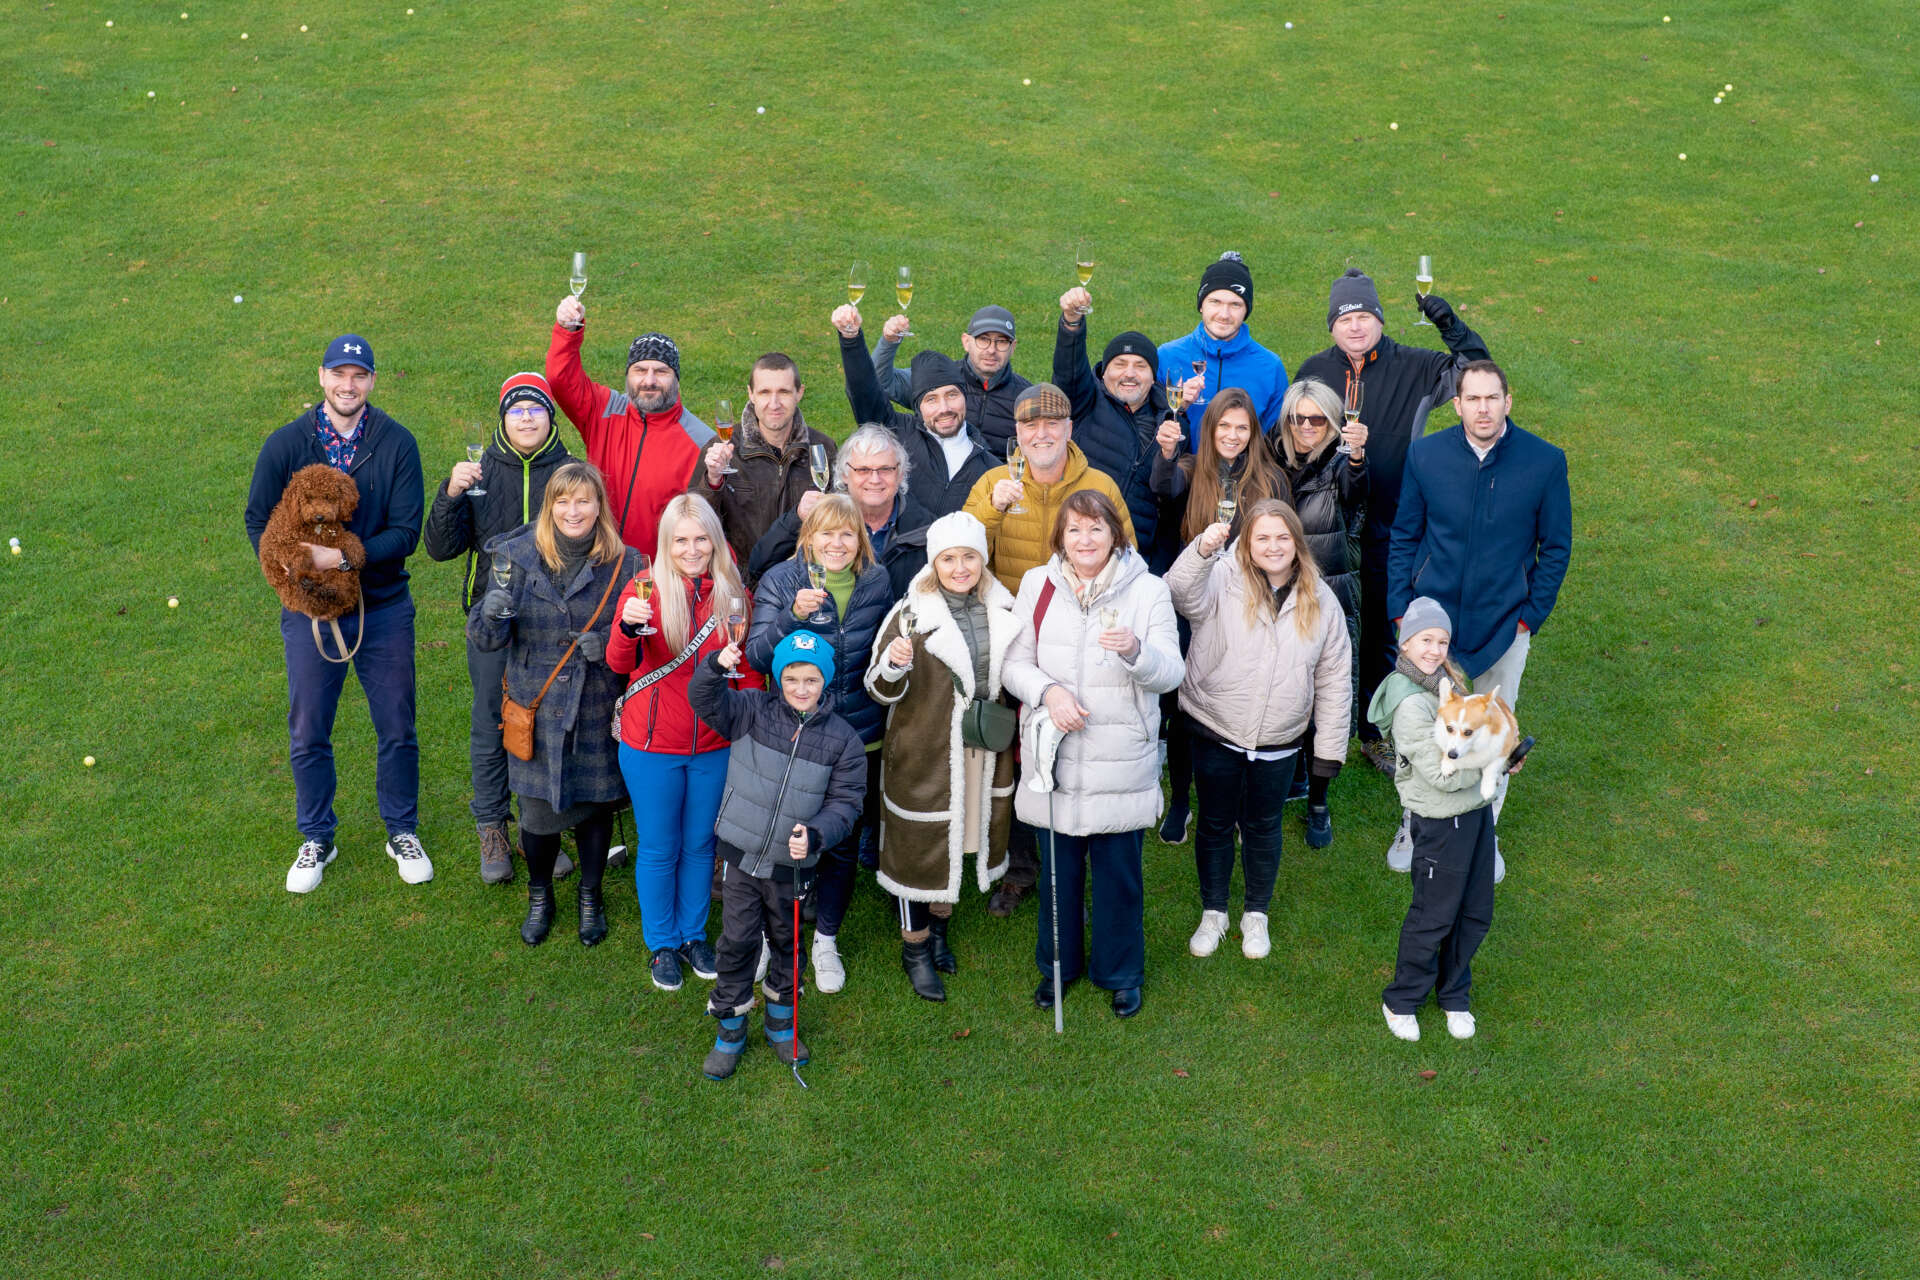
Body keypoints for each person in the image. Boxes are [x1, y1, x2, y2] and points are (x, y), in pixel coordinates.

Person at [245, 334, 429, 894]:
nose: (348, 386)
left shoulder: (396, 443)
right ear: (321, 377)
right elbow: (257, 520)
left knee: (396, 725)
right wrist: (294, 574)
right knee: (308, 729)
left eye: (359, 376)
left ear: (372, 381)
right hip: (310, 612)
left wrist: (343, 556)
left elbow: (407, 532)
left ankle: (401, 829)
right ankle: (317, 837)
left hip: (383, 606)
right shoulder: (286, 444)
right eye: (338, 374)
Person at [1294, 268, 1492, 775]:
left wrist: (1448, 322)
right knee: (1324, 623)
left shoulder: (1418, 365)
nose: (1355, 327)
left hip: (1394, 521)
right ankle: (1312, 726)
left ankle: (1375, 731)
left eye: (1364, 317)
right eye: (1345, 319)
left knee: (1384, 625)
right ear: (1332, 327)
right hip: (1329, 521)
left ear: (1379, 319)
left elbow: (1479, 373)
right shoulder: (1314, 369)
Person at [1002, 491, 1183, 1019]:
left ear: (1115, 535)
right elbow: (1014, 665)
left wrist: (1134, 651)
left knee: (1117, 877)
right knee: (1058, 875)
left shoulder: (1149, 592)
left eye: (1096, 529)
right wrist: (1048, 693)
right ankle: (1058, 967)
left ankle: (1120, 972)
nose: (1085, 540)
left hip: (1118, 757)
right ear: (1060, 536)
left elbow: (1171, 673)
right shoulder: (1037, 585)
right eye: (1075, 530)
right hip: (1053, 756)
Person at [1386, 361, 1571, 876]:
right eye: (1473, 398)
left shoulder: (1544, 462)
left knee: (1494, 735)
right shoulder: (1426, 455)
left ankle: (1482, 836)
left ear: (1508, 401)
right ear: (1458, 404)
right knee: (1424, 730)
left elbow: (1555, 548)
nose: (1483, 408)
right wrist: (1403, 614)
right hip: (1432, 628)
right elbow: (1404, 535)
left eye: (1493, 398)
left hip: (1503, 628)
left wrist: (1528, 617)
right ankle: (1415, 820)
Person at [963, 383, 1136, 916]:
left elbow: (1127, 559)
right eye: (1030, 426)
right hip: (1011, 643)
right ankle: (1019, 866)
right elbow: (960, 558)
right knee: (1015, 755)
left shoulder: (1098, 484)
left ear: (1068, 430)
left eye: (1052, 425)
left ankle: (1079, 859)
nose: (1041, 434)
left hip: (1080, 644)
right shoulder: (994, 482)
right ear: (1016, 433)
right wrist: (992, 513)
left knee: (1076, 750)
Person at [1165, 500, 1351, 960]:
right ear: (1247, 542)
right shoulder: (1222, 577)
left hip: (1280, 741)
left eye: (1282, 537)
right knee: (1213, 822)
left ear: (1297, 543)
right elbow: (1176, 592)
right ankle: (1214, 912)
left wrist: (1328, 749)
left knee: (1264, 826)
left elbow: (1333, 678)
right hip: (1215, 727)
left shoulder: (1322, 599)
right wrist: (1202, 550)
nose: (1273, 546)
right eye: (1262, 537)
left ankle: (1255, 914)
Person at [468, 461, 641, 948]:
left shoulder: (630, 564)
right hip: (537, 709)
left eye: (584, 500)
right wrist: (493, 613)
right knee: (538, 817)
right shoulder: (515, 557)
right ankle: (539, 894)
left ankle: (591, 895)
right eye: (562, 501)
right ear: (549, 507)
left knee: (593, 808)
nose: (573, 510)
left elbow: (647, 635)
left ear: (599, 506)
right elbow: (483, 638)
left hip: (593, 706)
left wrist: (608, 640)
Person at [687, 630, 868, 1081]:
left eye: (811, 679)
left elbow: (847, 803)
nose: (801, 688)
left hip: (793, 866)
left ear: (825, 681)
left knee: (788, 944)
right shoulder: (749, 709)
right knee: (737, 940)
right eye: (791, 678)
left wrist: (818, 835)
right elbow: (702, 698)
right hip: (741, 857)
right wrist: (714, 665)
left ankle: (781, 1025)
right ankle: (729, 1028)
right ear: (777, 678)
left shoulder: (844, 740)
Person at [423, 371, 576, 884]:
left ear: (549, 417)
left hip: (552, 622)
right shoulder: (479, 470)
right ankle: (492, 827)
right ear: (503, 419)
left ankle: (542, 830)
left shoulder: (572, 472)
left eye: (536, 408)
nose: (527, 417)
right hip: (488, 619)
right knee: (492, 720)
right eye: (517, 409)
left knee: (542, 723)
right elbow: (441, 549)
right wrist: (449, 493)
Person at [864, 512, 1020, 1002]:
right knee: (918, 846)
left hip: (978, 750)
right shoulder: (910, 613)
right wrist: (892, 663)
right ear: (934, 562)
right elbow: (877, 689)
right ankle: (915, 949)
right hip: (924, 751)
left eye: (968, 557)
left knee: (961, 838)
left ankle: (940, 930)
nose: (959, 567)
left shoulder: (1005, 607)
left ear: (982, 558)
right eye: (949, 558)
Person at [608, 493, 761, 991]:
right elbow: (617, 662)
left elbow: (749, 674)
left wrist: (748, 717)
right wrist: (629, 627)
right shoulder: (644, 588)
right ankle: (662, 945)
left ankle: (694, 936)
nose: (692, 550)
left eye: (701, 539)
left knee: (700, 845)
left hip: (714, 745)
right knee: (658, 847)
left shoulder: (733, 594)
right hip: (652, 745)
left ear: (714, 541)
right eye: (681, 541)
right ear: (665, 545)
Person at [746, 496, 893, 993]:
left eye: (847, 534)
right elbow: (759, 655)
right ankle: (769, 937)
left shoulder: (876, 580)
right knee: (778, 838)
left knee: (841, 843)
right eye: (826, 534)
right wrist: (790, 615)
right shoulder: (782, 581)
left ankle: (825, 939)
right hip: (793, 735)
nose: (836, 543)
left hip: (857, 735)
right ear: (808, 538)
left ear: (860, 541)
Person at [1149, 387, 1293, 846]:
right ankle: (1180, 801)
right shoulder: (1190, 471)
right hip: (1193, 607)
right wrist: (1167, 455)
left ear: (1252, 432)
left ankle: (1229, 803)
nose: (1232, 436)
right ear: (1209, 430)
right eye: (1223, 426)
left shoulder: (1271, 480)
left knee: (1233, 703)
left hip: (1247, 609)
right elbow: (1162, 488)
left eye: (1241, 427)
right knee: (1182, 706)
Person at [1368, 598, 1514, 1042]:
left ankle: (1453, 994)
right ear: (1406, 641)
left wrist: (1502, 756)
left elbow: (1473, 746)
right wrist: (1498, 762)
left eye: (1442, 641)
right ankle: (1402, 1000)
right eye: (1425, 640)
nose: (1434, 649)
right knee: (1433, 915)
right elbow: (1439, 777)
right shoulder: (1410, 701)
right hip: (1439, 822)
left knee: (1475, 912)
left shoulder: (1450, 686)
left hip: (1474, 818)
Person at [546, 293, 710, 556]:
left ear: (677, 379)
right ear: (628, 375)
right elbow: (561, 378)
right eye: (640, 370)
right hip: (596, 563)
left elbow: (707, 526)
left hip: (654, 579)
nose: (649, 380)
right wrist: (568, 331)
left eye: (661, 371)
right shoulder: (603, 409)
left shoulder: (701, 442)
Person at [1272, 378, 1368, 805]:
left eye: (1317, 418)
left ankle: (1319, 800)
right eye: (1298, 418)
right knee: (1286, 684)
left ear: (1333, 422)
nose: (1307, 426)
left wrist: (1358, 457)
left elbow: (1355, 489)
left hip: (1332, 594)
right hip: (1279, 595)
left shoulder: (1344, 465)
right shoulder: (1276, 461)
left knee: (1328, 693)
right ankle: (1294, 774)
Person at [836, 305, 996, 516]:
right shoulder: (895, 432)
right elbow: (864, 390)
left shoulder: (989, 466)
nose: (944, 408)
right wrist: (851, 339)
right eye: (931, 399)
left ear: (965, 398)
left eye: (952, 395)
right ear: (918, 407)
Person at [692, 352, 838, 583]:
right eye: (765, 392)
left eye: (784, 392)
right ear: (751, 394)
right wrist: (712, 480)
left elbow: (839, 520)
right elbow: (694, 521)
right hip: (738, 586)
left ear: (799, 393)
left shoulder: (823, 449)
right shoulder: (723, 449)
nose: (774, 404)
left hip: (801, 584)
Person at [748, 424, 936, 602]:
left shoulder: (926, 530)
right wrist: (796, 520)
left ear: (900, 473)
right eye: (863, 470)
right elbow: (759, 565)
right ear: (845, 474)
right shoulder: (824, 515)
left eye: (885, 469)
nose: (875, 479)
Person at [1052, 291, 1170, 569]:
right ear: (1104, 373)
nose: (1129, 373)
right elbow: (1068, 370)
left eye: (1140, 366)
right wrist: (1072, 323)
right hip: (1079, 546)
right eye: (1120, 364)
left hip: (1135, 558)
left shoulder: (1172, 420)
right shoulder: (1085, 401)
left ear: (1153, 377)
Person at [1157, 252, 1289, 441]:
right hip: (1181, 468)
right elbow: (1147, 425)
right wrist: (1178, 406)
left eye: (1235, 304)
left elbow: (1276, 439)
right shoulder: (1166, 356)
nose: (1224, 314)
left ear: (1246, 311)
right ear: (1201, 305)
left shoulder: (1270, 366)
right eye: (1215, 302)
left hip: (1242, 470)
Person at [870, 305, 1032, 455]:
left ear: (1013, 347)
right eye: (983, 339)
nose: (991, 350)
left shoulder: (1026, 398)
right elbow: (878, 382)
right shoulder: (936, 378)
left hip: (996, 483)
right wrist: (889, 342)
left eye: (1002, 342)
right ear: (966, 342)